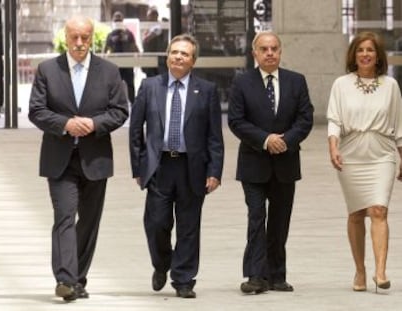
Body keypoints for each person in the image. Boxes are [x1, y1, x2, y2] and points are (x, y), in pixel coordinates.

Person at [28, 15, 128, 301]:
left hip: (95, 158)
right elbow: (36, 110)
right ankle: (65, 279)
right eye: (75, 37)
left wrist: (95, 124)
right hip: (60, 158)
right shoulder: (47, 69)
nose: (80, 42)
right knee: (64, 216)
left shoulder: (109, 71)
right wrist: (65, 124)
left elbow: (120, 111)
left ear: (93, 37)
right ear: (66, 37)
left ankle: (77, 278)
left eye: (85, 37)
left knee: (88, 222)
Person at [129, 34, 224, 299]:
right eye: (174, 52)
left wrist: (215, 171)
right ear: (167, 56)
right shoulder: (149, 87)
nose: (178, 57)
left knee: (189, 226)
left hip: (191, 167)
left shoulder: (206, 91)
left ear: (193, 61)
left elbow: (214, 136)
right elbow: (136, 129)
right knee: (156, 223)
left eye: (184, 54)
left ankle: (183, 279)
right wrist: (138, 167)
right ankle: (161, 264)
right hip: (159, 166)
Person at [228, 31, 313, 294]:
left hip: (286, 163)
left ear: (280, 51)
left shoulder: (296, 81)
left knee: (279, 220)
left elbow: (305, 118)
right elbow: (236, 120)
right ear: (255, 53)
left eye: (274, 48)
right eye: (264, 49)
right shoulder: (242, 83)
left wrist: (285, 140)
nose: (269, 53)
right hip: (254, 162)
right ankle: (255, 275)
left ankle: (276, 275)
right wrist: (266, 139)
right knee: (256, 217)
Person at [327, 31, 402, 293]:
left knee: (379, 210)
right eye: (360, 50)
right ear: (353, 55)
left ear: (378, 55)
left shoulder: (390, 86)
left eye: (370, 50)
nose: (365, 54)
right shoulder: (341, 84)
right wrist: (333, 147)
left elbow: (399, 123)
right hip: (351, 153)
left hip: (382, 152)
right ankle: (360, 270)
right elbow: (334, 120)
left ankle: (380, 272)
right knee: (357, 213)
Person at [105, 11, 139, 104]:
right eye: (116, 20)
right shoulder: (111, 35)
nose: (118, 22)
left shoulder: (128, 34)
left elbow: (135, 48)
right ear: (113, 21)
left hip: (128, 64)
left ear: (123, 20)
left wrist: (137, 58)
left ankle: (133, 104)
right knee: (115, 86)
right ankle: (116, 105)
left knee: (130, 85)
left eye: (119, 20)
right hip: (116, 65)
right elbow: (105, 50)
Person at [141, 6, 167, 77]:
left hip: (158, 59)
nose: (149, 18)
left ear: (156, 16)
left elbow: (148, 38)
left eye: (151, 15)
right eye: (149, 16)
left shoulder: (160, 26)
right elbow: (144, 41)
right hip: (149, 58)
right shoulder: (147, 28)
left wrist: (147, 37)